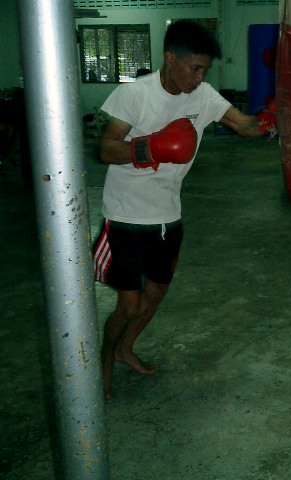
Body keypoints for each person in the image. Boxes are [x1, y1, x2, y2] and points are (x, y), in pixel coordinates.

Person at [93, 19, 274, 400]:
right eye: (195, 68)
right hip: (125, 218)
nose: (200, 77)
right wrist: (152, 147)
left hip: (168, 217)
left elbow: (244, 125)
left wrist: (274, 119)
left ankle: (126, 348)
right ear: (171, 59)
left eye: (205, 69)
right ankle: (104, 359)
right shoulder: (135, 94)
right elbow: (105, 149)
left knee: (156, 293)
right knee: (128, 304)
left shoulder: (203, 95)